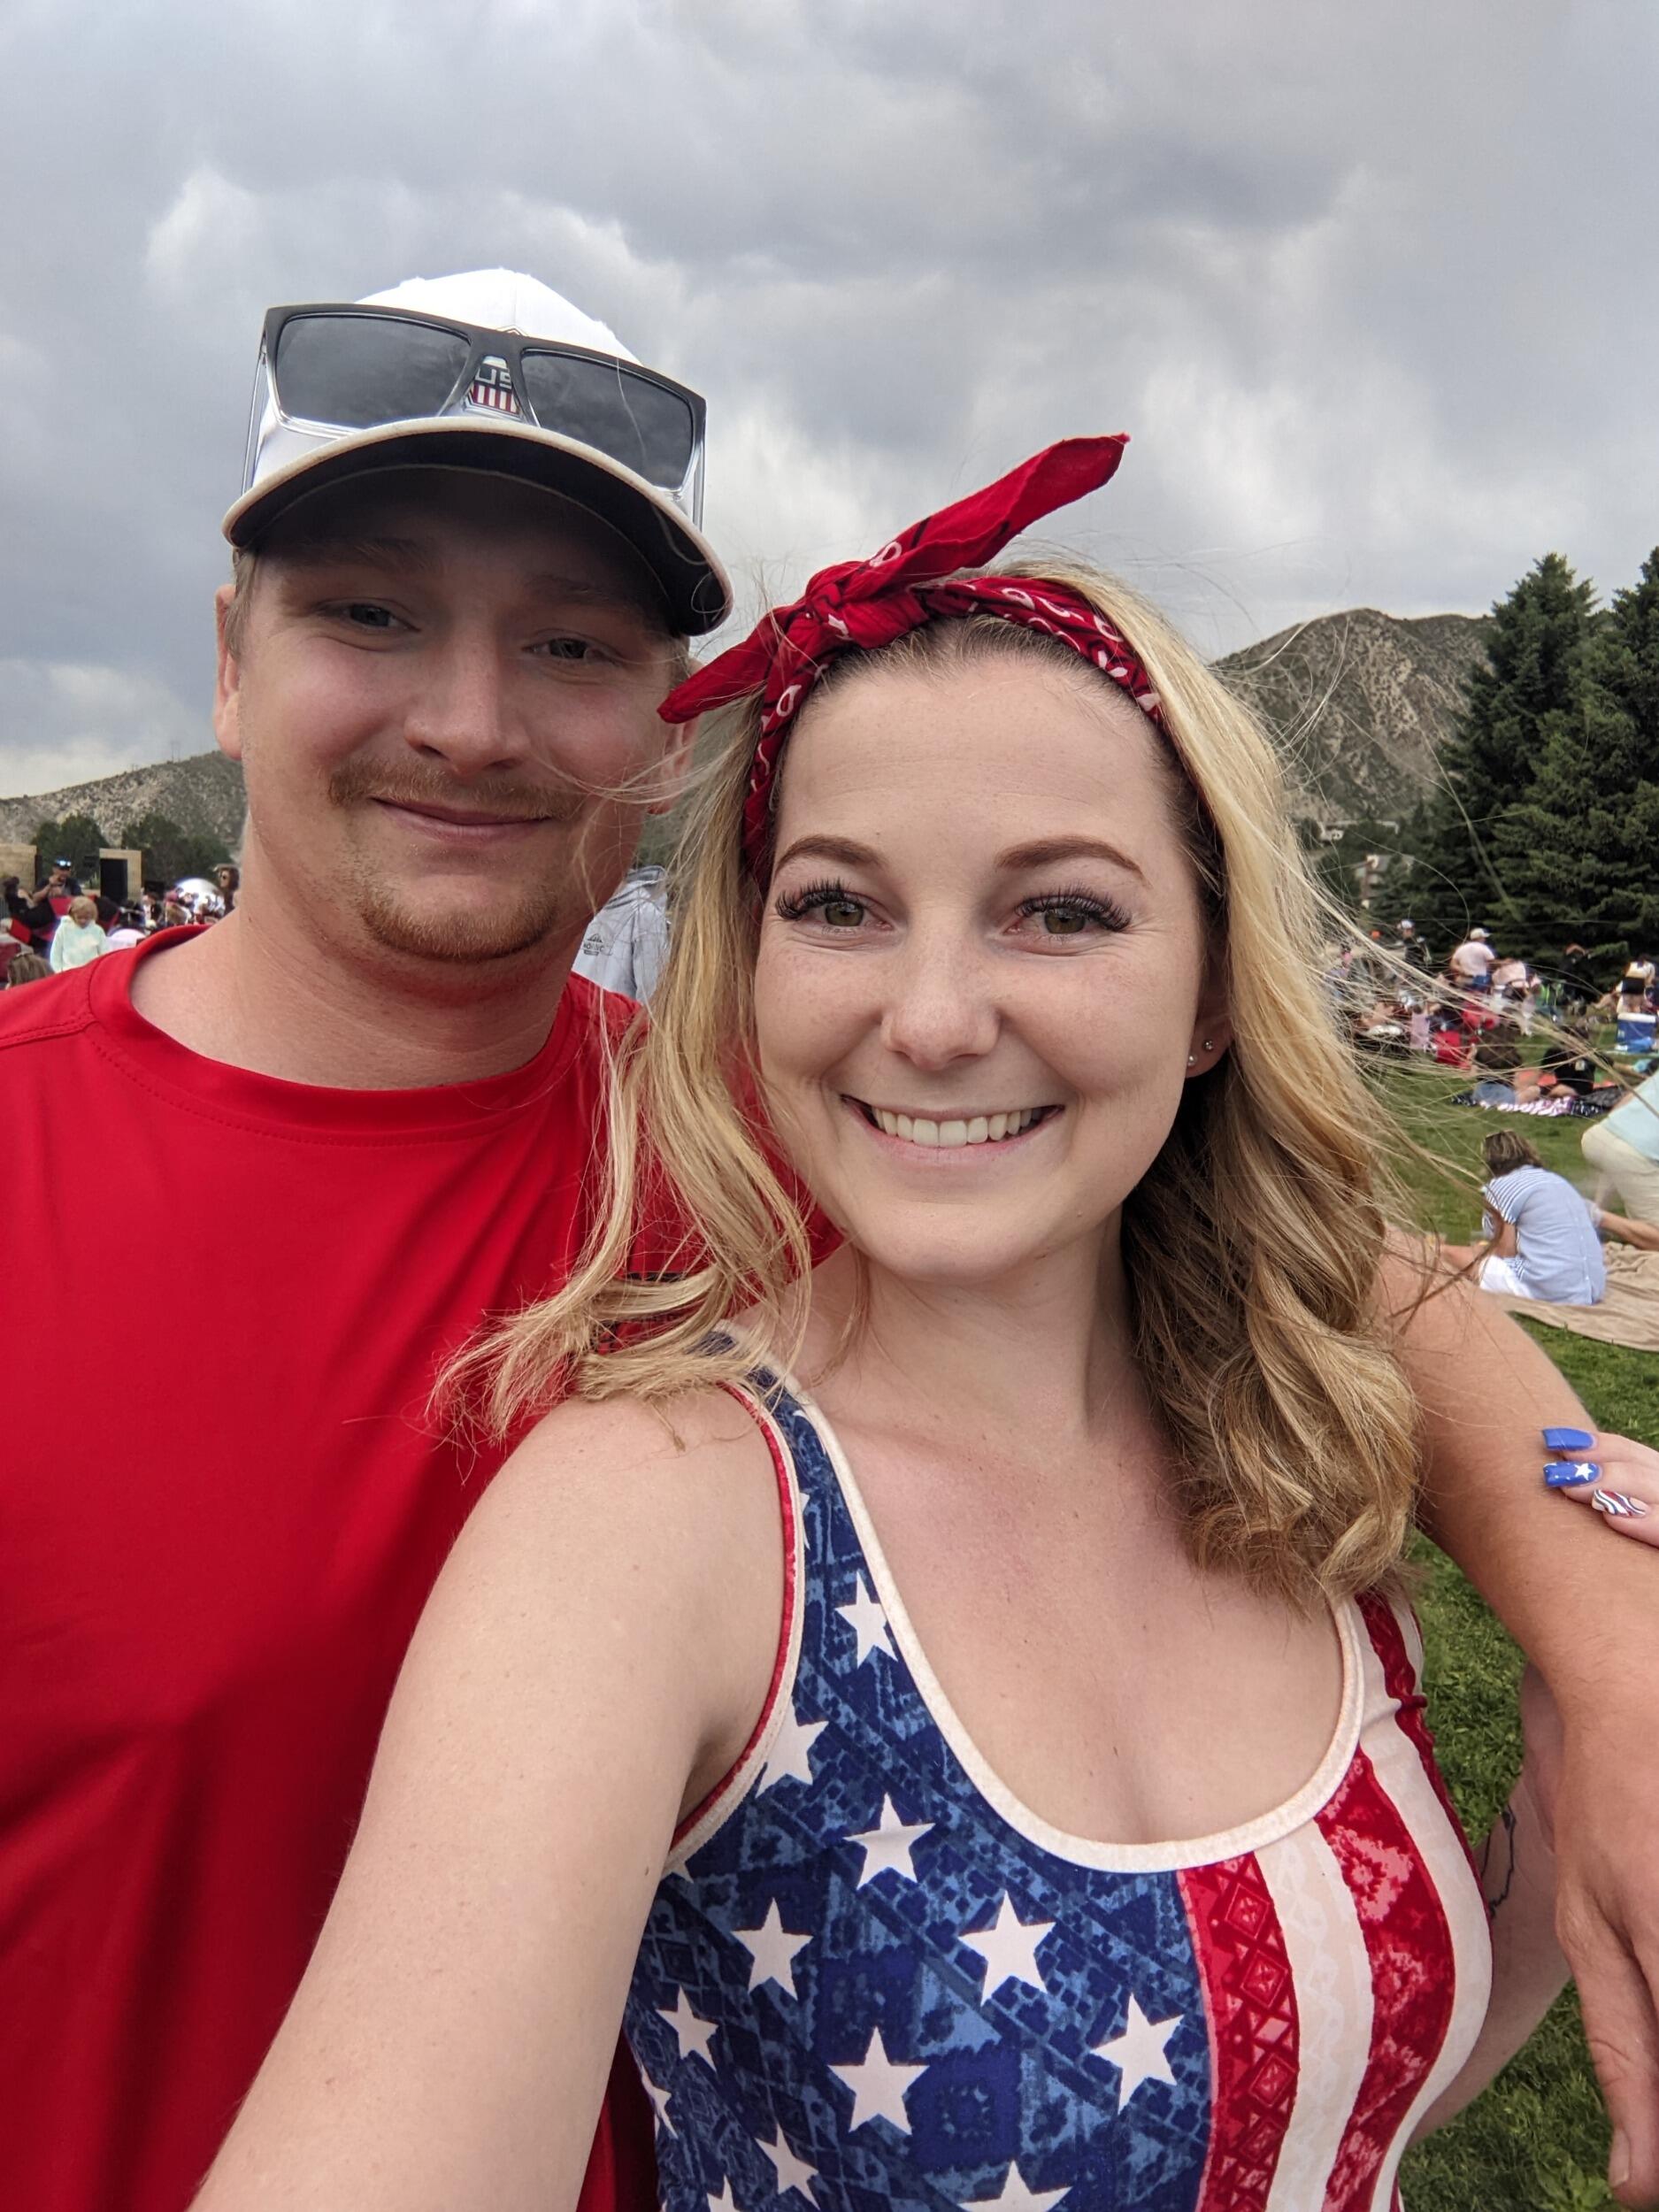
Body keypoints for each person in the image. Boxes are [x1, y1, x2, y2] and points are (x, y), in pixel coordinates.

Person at [196, 449, 1643, 2210]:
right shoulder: (648, 1521)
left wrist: (1597, 1696)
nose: (935, 1015)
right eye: (840, 903)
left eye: (1060, 909)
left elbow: (1318, 2096)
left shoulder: (1294, 1436)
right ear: (748, 967)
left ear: (1207, 991)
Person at [0, 266, 730, 2212]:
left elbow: (1279, 1252)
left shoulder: (776, 1175)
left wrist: (1600, 1618)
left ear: (663, 729)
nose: (472, 722)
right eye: (372, 612)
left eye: (570, 641)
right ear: (232, 660)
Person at [1584, 1065, 1659, 1226]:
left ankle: (1595, 1214)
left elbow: (1627, 1100)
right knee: (1653, 1235)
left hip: (1599, 1135)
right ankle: (1589, 1217)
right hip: (1633, 1154)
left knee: (1616, 1161)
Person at [48, 893, 108, 971]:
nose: (83, 921)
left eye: (86, 918)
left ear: (92, 915)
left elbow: (105, 953)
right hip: (68, 972)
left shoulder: (97, 930)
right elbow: (55, 953)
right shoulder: (64, 929)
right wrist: (58, 972)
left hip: (91, 972)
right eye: (79, 917)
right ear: (72, 914)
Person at [1448, 925, 1494, 991]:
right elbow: (1493, 962)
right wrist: (1504, 963)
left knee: (1463, 997)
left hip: (1463, 979)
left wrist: (1460, 969)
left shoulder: (1462, 948)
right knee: (1489, 981)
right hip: (1478, 980)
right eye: (1483, 937)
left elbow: (1452, 964)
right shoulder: (1483, 948)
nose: (1484, 939)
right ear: (1480, 938)